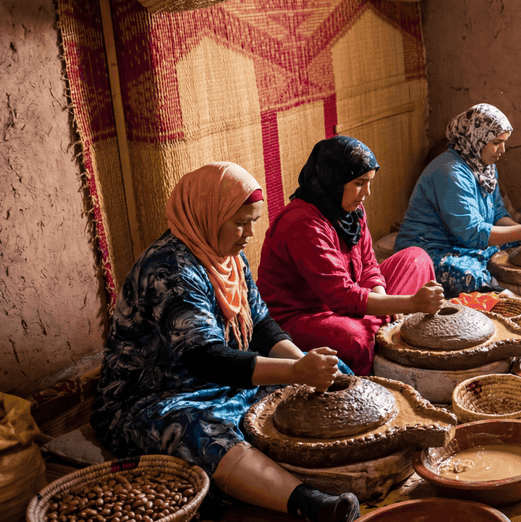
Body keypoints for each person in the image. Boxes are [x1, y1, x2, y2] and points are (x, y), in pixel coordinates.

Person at [92, 162, 360, 522]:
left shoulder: (228, 257)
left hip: (223, 381)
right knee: (199, 432)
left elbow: (261, 325)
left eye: (254, 220)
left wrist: (304, 364)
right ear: (206, 215)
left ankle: (358, 456)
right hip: (157, 397)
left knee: (334, 372)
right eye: (240, 222)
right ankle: (310, 502)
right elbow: (206, 359)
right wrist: (297, 370)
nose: (250, 232)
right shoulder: (168, 272)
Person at [259, 136, 445, 375]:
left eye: (369, 182)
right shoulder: (303, 223)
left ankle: (384, 327)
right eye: (359, 183)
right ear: (334, 179)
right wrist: (410, 303)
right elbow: (341, 296)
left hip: (351, 299)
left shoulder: (351, 210)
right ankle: (380, 358)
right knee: (356, 338)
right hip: (304, 316)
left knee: (416, 259)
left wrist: (383, 297)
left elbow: (368, 265)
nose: (366, 192)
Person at [395, 104, 521, 317]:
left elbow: (497, 214)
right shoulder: (450, 172)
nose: (502, 150)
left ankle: (507, 292)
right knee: (468, 273)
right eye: (496, 143)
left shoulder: (484, 168)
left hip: (462, 245)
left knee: (518, 244)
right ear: (475, 139)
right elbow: (472, 233)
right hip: (431, 250)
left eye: (503, 143)